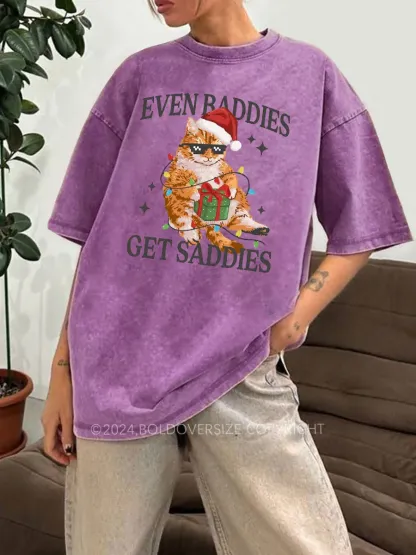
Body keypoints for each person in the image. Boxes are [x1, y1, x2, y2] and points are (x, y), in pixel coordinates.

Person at [42, 1, 413, 554]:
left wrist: (295, 319)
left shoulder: (309, 76)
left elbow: (364, 223)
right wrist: (63, 371)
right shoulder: (139, 76)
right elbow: (98, 242)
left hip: (239, 366)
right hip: (118, 371)